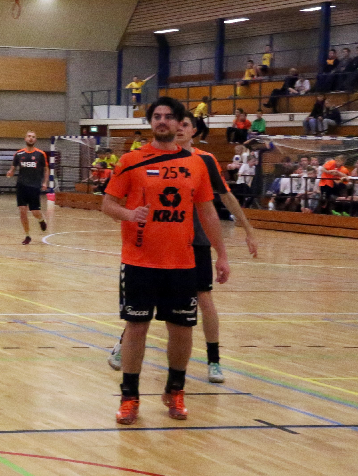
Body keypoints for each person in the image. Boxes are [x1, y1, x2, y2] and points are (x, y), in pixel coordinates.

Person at [101, 97, 229, 425]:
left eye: (168, 117)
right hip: (139, 261)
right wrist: (130, 214)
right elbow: (108, 204)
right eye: (157, 116)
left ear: (179, 123)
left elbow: (208, 211)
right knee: (136, 328)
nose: (162, 121)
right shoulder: (130, 160)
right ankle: (130, 397)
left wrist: (222, 254)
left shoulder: (197, 164)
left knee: (182, 330)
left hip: (183, 263)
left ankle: (175, 390)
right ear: (151, 122)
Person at [110, 113, 257, 383]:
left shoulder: (204, 160)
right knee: (143, 306)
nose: (179, 128)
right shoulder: (149, 157)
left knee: (203, 299)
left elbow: (225, 197)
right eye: (177, 123)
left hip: (195, 244)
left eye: (185, 124)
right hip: (156, 245)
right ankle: (124, 346)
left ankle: (214, 361)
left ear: (193, 131)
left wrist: (247, 229)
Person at [6, 131, 49, 245]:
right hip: (21, 186)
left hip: (34, 186)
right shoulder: (19, 154)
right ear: (25, 138)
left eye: (33, 137)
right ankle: (27, 235)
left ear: (35, 140)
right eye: (29, 136)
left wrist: (45, 182)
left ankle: (41, 220)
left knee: (35, 212)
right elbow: (13, 167)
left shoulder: (40, 154)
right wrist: (10, 172)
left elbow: (46, 169)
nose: (31, 138)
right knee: (22, 211)